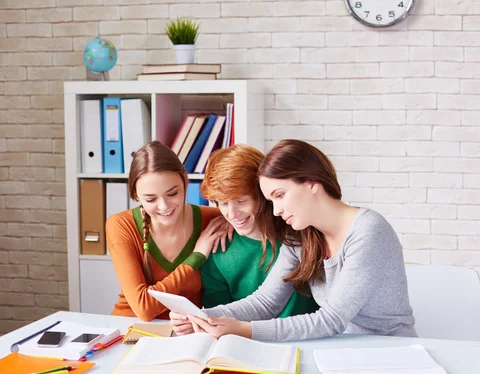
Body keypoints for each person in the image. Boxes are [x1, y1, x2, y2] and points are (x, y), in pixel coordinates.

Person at [170, 139, 416, 341]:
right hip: (339, 348)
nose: (275, 210)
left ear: (311, 184)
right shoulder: (301, 235)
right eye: (271, 200)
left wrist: (245, 330)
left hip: (392, 351)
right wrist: (201, 315)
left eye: (280, 195)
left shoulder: (368, 231)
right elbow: (266, 302)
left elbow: (330, 320)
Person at [176, 145, 318, 333]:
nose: (232, 214)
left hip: (308, 338)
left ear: (262, 194)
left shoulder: (298, 231)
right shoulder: (219, 248)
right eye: (223, 203)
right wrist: (195, 318)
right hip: (248, 343)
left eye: (241, 201)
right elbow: (220, 320)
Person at [107, 141, 229, 321]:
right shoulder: (121, 225)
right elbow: (144, 309)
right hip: (131, 326)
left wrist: (233, 220)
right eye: (151, 199)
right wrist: (196, 257)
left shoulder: (213, 220)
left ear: (185, 181)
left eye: (172, 193)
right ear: (135, 195)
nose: (164, 206)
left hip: (186, 332)